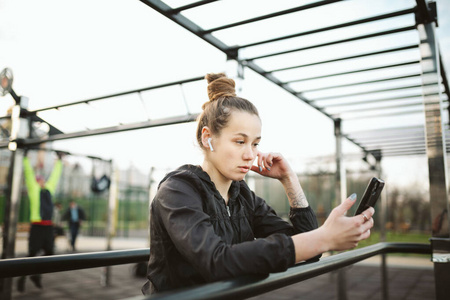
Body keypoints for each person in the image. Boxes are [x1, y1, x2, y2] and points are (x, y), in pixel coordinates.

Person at [141, 73, 375, 294]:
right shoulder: (177, 190)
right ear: (207, 138)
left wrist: (289, 180)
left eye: (255, 144)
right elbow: (216, 261)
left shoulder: (242, 196)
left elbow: (309, 250)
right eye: (240, 141)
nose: (250, 154)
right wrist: (322, 237)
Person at [18, 151, 63, 292]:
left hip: (48, 227)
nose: (41, 181)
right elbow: (29, 174)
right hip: (37, 226)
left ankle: (36, 275)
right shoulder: (34, 189)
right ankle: (22, 278)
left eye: (42, 179)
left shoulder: (49, 189)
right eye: (39, 179)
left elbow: (55, 176)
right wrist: (25, 158)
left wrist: (60, 161)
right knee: (31, 254)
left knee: (49, 253)